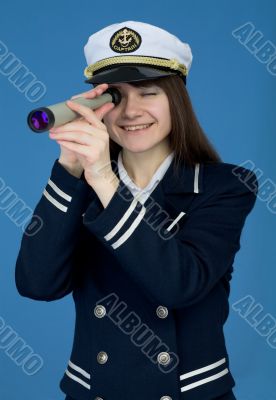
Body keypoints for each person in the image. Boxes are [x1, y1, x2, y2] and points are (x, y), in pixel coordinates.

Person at [15, 21, 258, 400]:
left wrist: (103, 179)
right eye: (114, 98)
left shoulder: (226, 186)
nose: (130, 112)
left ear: (177, 99)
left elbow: (180, 285)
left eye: (148, 93)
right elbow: (36, 284)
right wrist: (69, 172)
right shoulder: (82, 184)